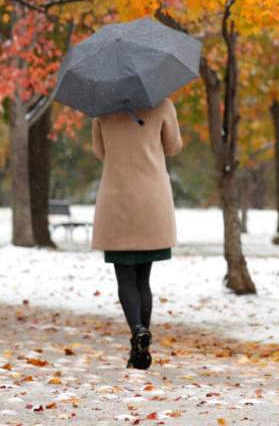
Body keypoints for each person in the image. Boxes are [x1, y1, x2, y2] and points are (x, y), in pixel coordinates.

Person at [91, 98, 182, 370]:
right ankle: (139, 341)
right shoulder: (162, 104)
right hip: (151, 199)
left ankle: (138, 332)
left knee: (125, 277)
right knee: (144, 278)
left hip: (117, 198)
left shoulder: (102, 108)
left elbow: (100, 151)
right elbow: (173, 147)